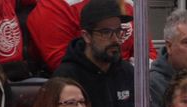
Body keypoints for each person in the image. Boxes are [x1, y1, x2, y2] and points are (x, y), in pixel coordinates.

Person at [53, 0, 136, 107]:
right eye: (106, 32)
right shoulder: (67, 78)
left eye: (118, 31)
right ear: (86, 36)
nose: (115, 39)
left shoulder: (127, 72)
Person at [26, 0, 156, 73]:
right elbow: (62, 64)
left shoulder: (128, 3)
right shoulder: (55, 6)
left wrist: (127, 75)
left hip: (125, 80)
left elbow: (148, 53)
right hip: (83, 87)